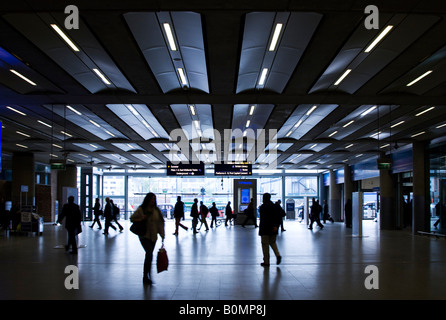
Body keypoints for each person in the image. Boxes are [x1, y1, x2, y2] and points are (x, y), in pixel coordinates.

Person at [130, 192, 165, 285]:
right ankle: (146, 276)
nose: (153, 201)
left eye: (154, 199)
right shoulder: (141, 209)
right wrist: (141, 218)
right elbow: (132, 218)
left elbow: (160, 223)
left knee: (149, 255)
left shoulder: (156, 211)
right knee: (149, 253)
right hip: (144, 236)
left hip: (153, 237)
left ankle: (147, 275)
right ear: (147, 199)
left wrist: (162, 235)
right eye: (151, 199)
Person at [258, 193, 282, 267]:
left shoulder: (262, 207)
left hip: (264, 229)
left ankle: (266, 261)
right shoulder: (274, 206)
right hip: (273, 229)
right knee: (273, 242)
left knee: (265, 245)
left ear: (264, 198)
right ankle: (277, 255)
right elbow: (278, 217)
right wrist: (276, 226)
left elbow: (262, 218)